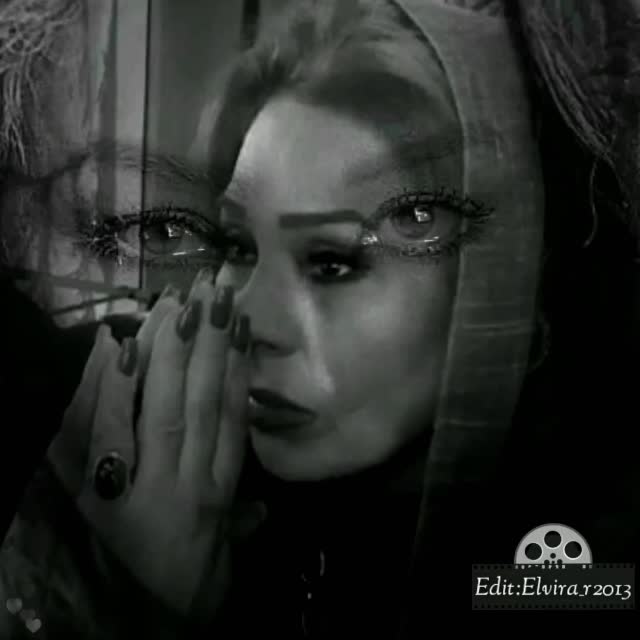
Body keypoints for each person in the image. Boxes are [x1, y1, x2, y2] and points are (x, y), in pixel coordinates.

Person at [1, 0, 638, 637]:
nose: (252, 320)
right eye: (239, 246)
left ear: (502, 287)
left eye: (333, 262)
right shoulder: (128, 427)